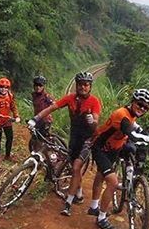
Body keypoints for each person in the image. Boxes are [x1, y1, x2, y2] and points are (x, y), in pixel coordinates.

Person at [28, 71, 101, 216]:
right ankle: (79, 194)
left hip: (87, 139)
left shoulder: (94, 101)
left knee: (75, 168)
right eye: (80, 84)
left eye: (86, 85)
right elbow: (51, 108)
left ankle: (68, 203)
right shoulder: (70, 98)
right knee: (74, 169)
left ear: (90, 86)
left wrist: (92, 121)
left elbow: (96, 120)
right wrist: (35, 119)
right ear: (76, 85)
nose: (83, 87)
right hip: (73, 138)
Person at [88, 88, 149, 229]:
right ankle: (101, 218)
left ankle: (94, 207)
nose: (142, 108)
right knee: (113, 182)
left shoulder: (131, 115)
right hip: (101, 148)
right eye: (140, 104)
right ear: (133, 102)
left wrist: (146, 133)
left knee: (101, 175)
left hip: (114, 149)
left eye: (146, 107)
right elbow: (132, 135)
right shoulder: (122, 114)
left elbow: (136, 128)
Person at [30, 75, 55, 149]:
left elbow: (54, 105)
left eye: (40, 85)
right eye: (36, 85)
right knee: (35, 137)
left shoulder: (46, 96)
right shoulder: (34, 95)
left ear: (43, 86)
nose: (38, 87)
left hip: (45, 120)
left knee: (44, 138)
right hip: (37, 119)